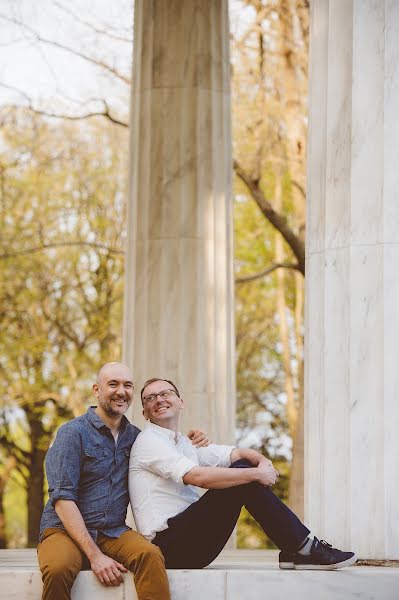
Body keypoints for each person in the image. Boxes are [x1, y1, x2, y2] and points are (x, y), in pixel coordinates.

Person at [129, 377, 357, 571]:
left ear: (180, 402)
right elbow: (197, 477)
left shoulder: (184, 443)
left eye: (166, 393)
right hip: (167, 548)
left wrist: (263, 463)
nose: (159, 400)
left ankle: (295, 549)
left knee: (244, 466)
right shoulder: (149, 441)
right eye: (150, 398)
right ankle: (305, 548)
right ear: (144, 413)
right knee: (243, 476)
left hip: (189, 541)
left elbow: (236, 454)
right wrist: (256, 475)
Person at [37, 362, 208, 600]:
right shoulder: (72, 433)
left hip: (112, 531)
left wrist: (190, 439)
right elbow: (62, 499)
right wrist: (96, 557)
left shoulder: (136, 437)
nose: (121, 391)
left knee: (150, 555)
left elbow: (168, 447)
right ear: (96, 390)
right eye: (113, 384)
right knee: (59, 569)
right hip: (63, 529)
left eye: (127, 385)